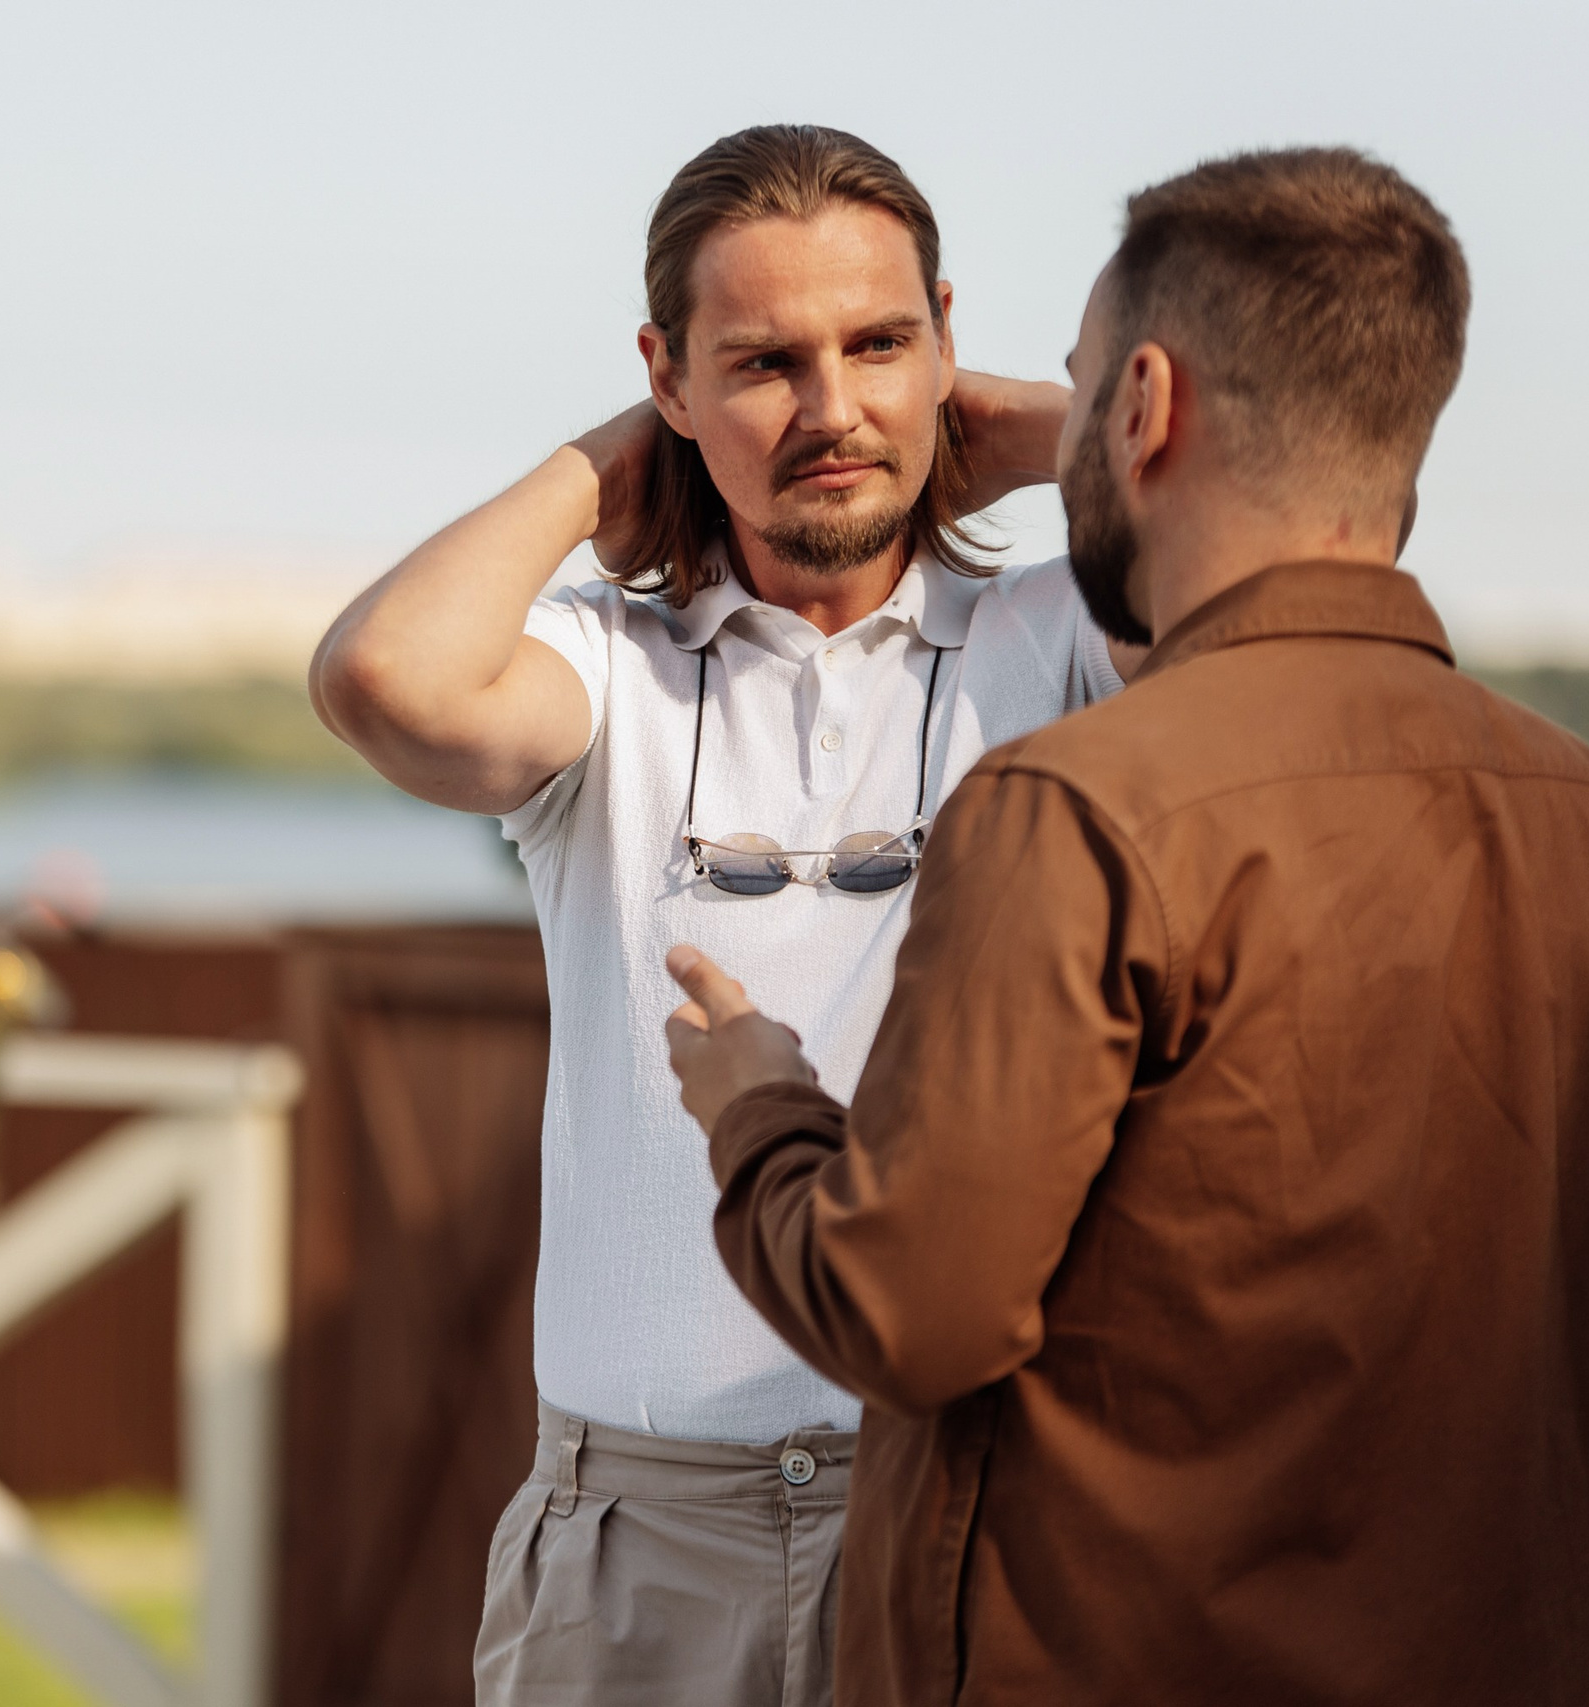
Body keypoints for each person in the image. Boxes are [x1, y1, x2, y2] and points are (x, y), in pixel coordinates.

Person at [664, 147, 1589, 1705]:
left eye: (1084, 390)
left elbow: (908, 1304)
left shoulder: (1084, 812)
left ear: (1149, 408)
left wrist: (757, 1101)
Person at [311, 125, 1139, 1705]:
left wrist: (1033, 435)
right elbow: (378, 677)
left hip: (963, 1504)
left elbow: (1269, 564)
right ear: (668, 380)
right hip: (636, 1534)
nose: (834, 411)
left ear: (949, 342)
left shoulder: (1070, 637)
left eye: (882, 345)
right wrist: (598, 468)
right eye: (763, 362)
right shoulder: (606, 668)